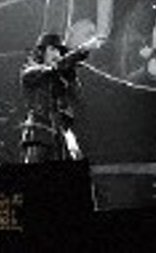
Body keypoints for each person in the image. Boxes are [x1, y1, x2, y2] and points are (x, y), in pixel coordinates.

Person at [20, 32, 100, 163]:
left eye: (59, 51)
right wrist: (82, 50)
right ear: (41, 52)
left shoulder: (59, 78)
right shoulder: (30, 73)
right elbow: (53, 69)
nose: (57, 54)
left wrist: (71, 75)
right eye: (52, 49)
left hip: (61, 136)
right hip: (39, 135)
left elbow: (77, 98)